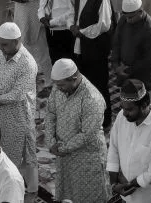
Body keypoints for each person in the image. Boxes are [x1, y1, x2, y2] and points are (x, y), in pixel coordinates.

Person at [0, 22, 38, 198]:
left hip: (18, 115)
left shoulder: (27, 63)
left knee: (21, 153)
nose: (0, 47)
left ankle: (25, 191)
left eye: (5, 44)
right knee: (0, 147)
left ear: (17, 41)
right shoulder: (0, 54)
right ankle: (3, 184)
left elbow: (18, 94)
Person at [44, 58, 111, 203]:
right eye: (56, 85)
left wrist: (63, 148)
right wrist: (50, 140)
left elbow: (87, 134)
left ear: (74, 78)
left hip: (87, 157)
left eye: (61, 85)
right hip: (64, 153)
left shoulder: (91, 99)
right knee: (69, 193)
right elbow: (50, 112)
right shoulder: (59, 86)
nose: (58, 88)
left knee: (90, 196)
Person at [106, 79, 151, 202]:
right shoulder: (122, 116)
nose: (124, 113)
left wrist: (129, 185)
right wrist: (114, 183)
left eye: (129, 110)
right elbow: (113, 147)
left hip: (149, 197)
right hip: (125, 195)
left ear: (144, 105)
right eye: (123, 108)